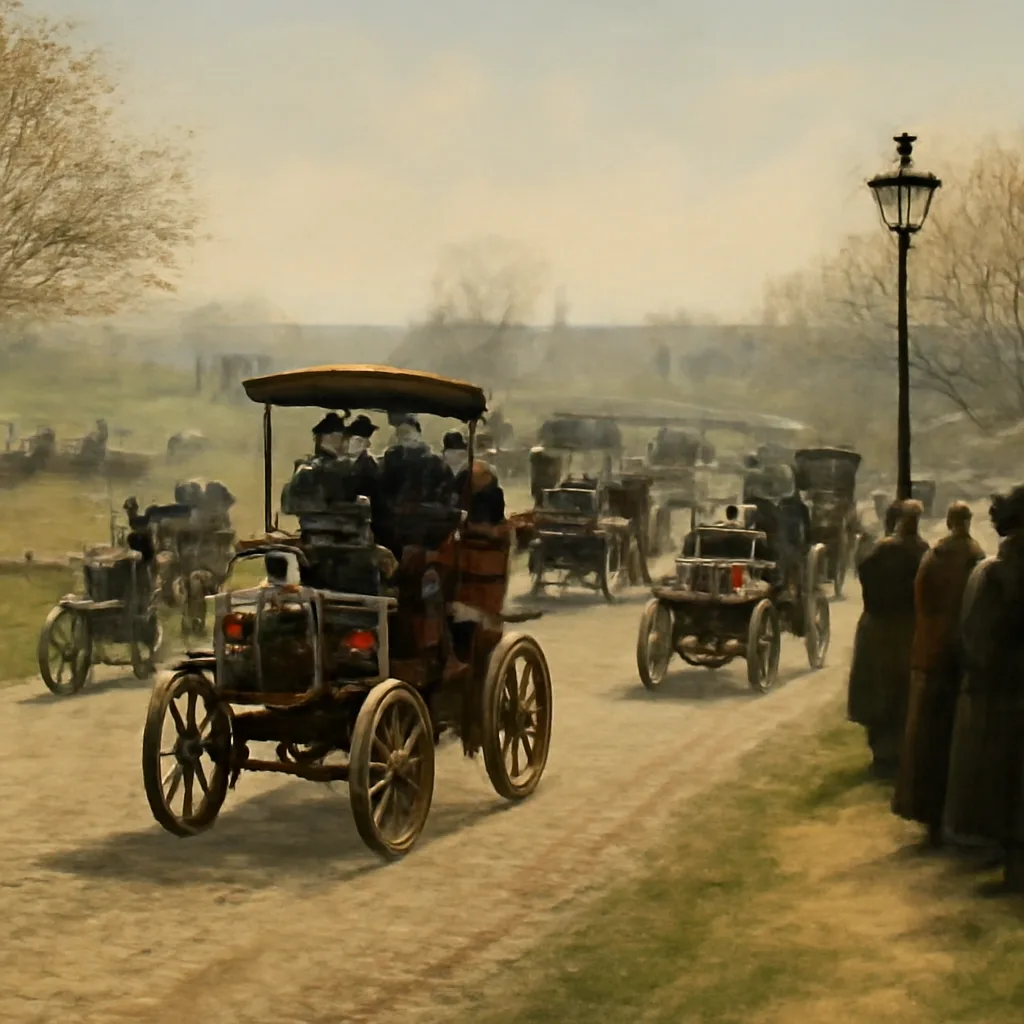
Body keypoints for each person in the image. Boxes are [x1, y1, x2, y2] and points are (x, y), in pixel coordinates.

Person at [893, 502, 985, 846]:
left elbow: (921, 601)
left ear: (949, 522)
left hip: (933, 653)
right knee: (954, 738)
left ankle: (930, 817)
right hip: (959, 656)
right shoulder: (976, 557)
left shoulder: (934, 556)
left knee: (928, 738)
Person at [945, 487, 1024, 887]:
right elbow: (981, 645)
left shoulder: (993, 570)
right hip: (1006, 696)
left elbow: (974, 643)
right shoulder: (998, 573)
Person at [847, 499, 930, 779]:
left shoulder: (883, 550)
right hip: (904, 627)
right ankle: (893, 755)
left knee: (883, 693)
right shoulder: (922, 551)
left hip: (883, 627)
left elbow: (864, 573)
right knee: (897, 694)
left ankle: (885, 756)